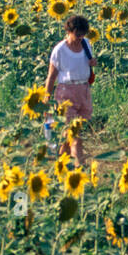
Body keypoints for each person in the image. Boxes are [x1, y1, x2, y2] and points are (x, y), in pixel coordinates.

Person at [45, 14, 96, 166]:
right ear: (69, 31)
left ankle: (60, 165)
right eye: (78, 34)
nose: (80, 37)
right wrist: (46, 98)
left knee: (71, 133)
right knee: (74, 132)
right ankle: (80, 164)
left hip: (84, 91)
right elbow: (51, 76)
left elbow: (86, 63)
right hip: (65, 92)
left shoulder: (86, 44)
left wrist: (93, 63)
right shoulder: (59, 50)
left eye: (83, 34)